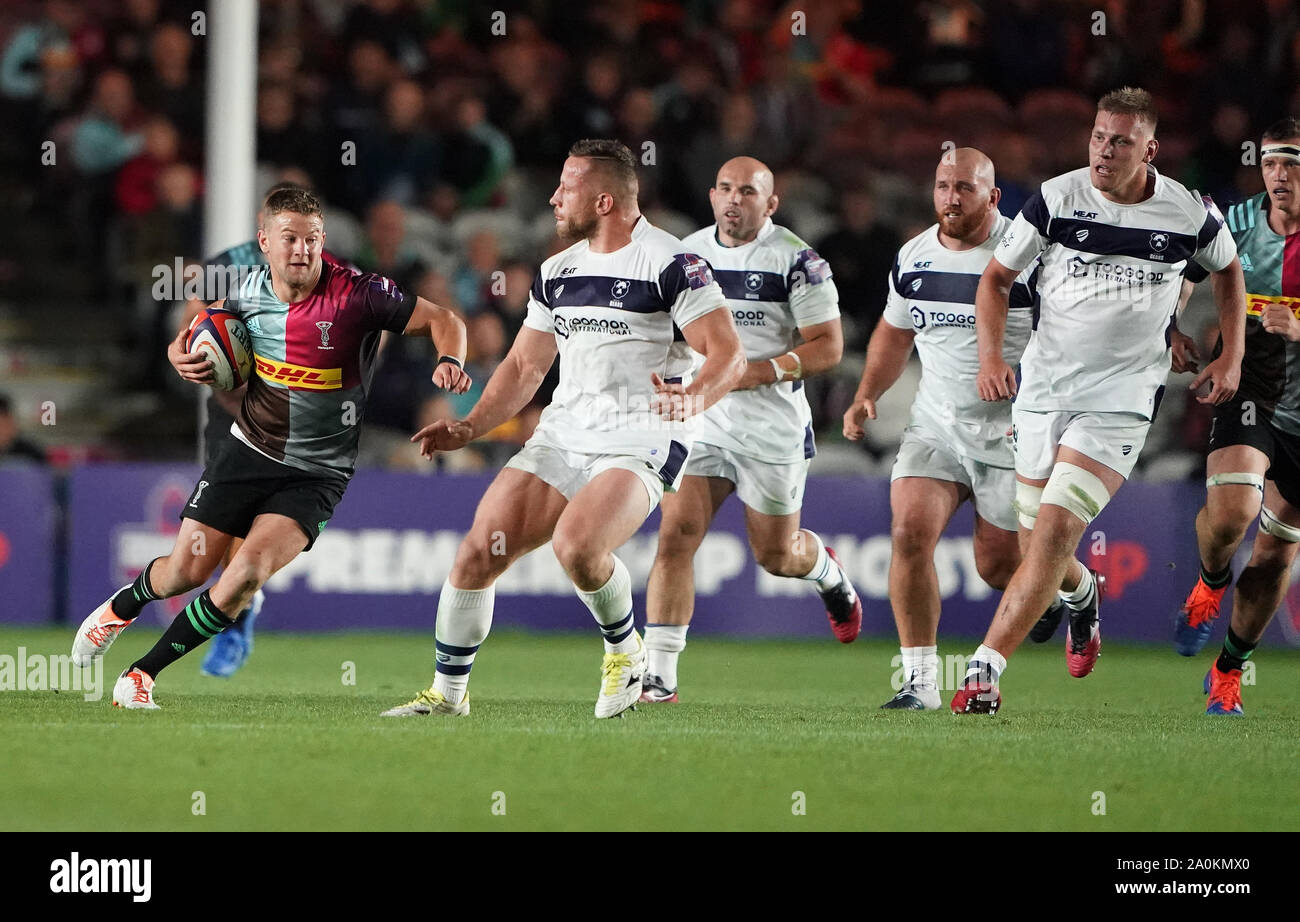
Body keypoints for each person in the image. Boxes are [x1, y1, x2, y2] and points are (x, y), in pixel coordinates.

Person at [382, 139, 744, 720]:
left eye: (565, 186)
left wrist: (694, 397)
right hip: (564, 435)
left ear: (603, 200)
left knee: (578, 544)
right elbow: (527, 366)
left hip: (641, 436)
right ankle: (448, 696)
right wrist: (472, 426)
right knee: (478, 551)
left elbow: (729, 354)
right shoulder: (558, 270)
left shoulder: (672, 263)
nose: (552, 197)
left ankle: (626, 653)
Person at [70, 187, 470, 708]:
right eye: (289, 239)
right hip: (248, 452)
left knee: (246, 576)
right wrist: (178, 354)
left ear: (323, 240)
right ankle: (122, 607)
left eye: (311, 239)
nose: (301, 250)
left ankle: (141, 675)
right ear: (264, 241)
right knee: (186, 572)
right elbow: (193, 331)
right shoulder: (243, 294)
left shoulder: (360, 293)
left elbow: (447, 321)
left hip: (319, 473)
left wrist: (451, 361)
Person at [952, 87, 1246, 714]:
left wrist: (1230, 355)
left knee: (1057, 529)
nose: (1104, 152)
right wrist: (989, 358)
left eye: (1120, 141)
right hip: (1044, 390)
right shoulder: (1058, 198)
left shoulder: (1187, 213)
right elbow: (996, 279)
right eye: (1097, 136)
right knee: (1040, 552)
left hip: (1121, 400)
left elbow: (1227, 269)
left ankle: (983, 670)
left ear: (1150, 149)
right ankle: (1083, 597)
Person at [639, 156, 861, 704]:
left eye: (747, 191)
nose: (734, 199)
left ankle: (828, 574)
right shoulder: (686, 254)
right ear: (712, 196)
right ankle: (660, 676)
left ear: (771, 203)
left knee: (776, 556)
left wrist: (748, 373)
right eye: (724, 189)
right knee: (675, 536)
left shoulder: (798, 261)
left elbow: (828, 346)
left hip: (771, 427)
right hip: (702, 419)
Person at [844, 147, 1057, 711]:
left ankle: (1067, 590)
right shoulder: (913, 256)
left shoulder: (1028, 256)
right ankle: (919, 681)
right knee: (909, 533)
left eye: (965, 187)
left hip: (1013, 436)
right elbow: (894, 333)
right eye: (942, 185)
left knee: (996, 566)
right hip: (936, 427)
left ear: (994, 196)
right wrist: (867, 393)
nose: (951, 198)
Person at [177, 181, 351, 679]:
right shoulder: (224, 265)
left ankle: (237, 621)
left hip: (298, 424)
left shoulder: (331, 271)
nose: (296, 243)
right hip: (233, 415)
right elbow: (198, 327)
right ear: (266, 228)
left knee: (253, 538)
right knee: (223, 529)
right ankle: (242, 612)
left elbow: (369, 335)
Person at [1170, 117, 1300, 715]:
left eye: (1293, 163)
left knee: (1274, 556)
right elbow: (1186, 275)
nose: (1280, 175)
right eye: (1272, 163)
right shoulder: (1238, 222)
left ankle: (1228, 669)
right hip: (1252, 386)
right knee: (1232, 514)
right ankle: (1211, 580)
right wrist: (1171, 324)